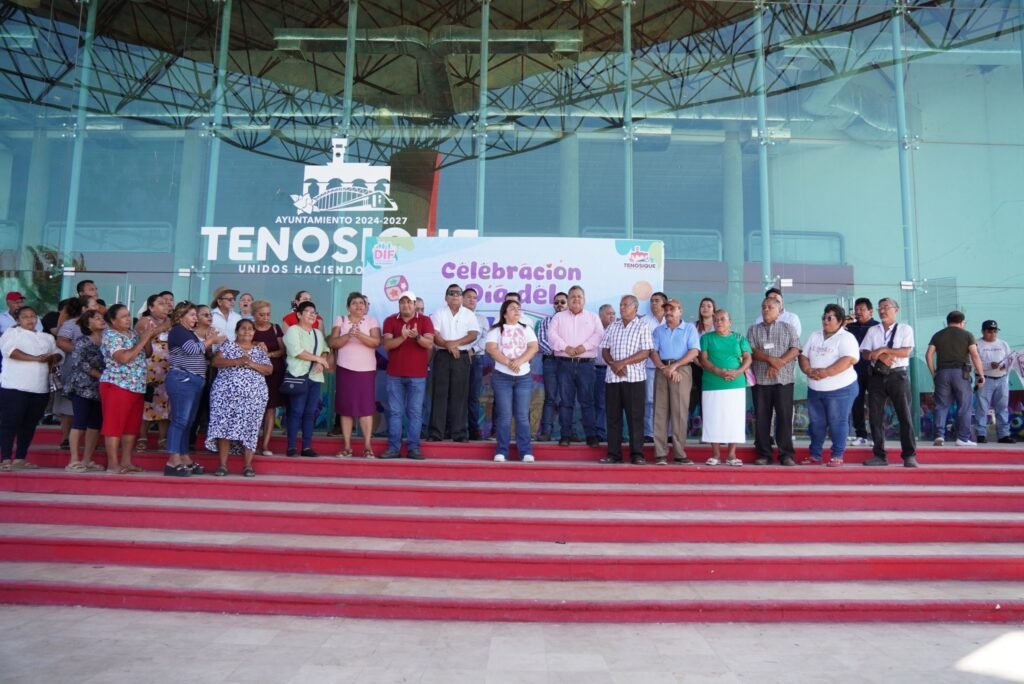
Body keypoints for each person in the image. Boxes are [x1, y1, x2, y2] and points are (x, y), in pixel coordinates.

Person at [207, 319, 274, 477]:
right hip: (226, 396)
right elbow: (216, 362)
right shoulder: (228, 346)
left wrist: (250, 364)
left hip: (253, 398)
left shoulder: (258, 350)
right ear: (237, 331)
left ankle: (248, 465)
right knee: (224, 427)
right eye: (243, 328)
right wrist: (237, 361)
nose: (247, 331)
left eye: (250, 329)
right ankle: (223, 465)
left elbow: (269, 369)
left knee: (250, 428)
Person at [164, 302, 223, 477]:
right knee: (180, 421)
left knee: (188, 423)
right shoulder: (178, 331)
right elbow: (192, 350)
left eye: (195, 315)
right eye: (191, 315)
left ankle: (184, 457)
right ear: (181, 317)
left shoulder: (189, 333)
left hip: (194, 381)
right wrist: (211, 339)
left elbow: (202, 352)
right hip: (182, 379)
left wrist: (208, 340)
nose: (194, 318)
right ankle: (172, 460)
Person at [0, 306, 60, 471]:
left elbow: (57, 354)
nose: (30, 320)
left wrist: (52, 357)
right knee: (10, 422)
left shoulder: (46, 337)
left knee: (29, 424)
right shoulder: (12, 333)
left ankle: (20, 458)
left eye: (33, 316)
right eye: (25, 317)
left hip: (39, 387)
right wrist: (35, 359)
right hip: (14, 386)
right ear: (18, 320)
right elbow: (11, 352)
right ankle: (4, 458)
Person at [799, 304, 860, 467]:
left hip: (841, 389)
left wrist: (826, 372)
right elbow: (803, 355)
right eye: (824, 317)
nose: (825, 321)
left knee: (837, 421)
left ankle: (837, 454)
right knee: (816, 423)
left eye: (830, 318)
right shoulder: (814, 335)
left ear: (840, 321)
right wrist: (807, 369)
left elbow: (848, 360)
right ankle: (815, 454)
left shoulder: (846, 338)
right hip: (815, 389)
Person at [860, 297, 918, 467]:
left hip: (898, 376)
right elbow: (864, 352)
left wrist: (884, 350)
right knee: (875, 417)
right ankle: (879, 455)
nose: (882, 311)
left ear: (896, 309)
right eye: (880, 308)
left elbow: (906, 351)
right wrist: (876, 355)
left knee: (904, 415)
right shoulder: (873, 330)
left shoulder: (905, 329)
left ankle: (909, 455)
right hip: (876, 376)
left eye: (886, 307)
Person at [99, 304, 157, 474]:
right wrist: (144, 340)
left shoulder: (132, 333)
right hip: (117, 385)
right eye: (123, 316)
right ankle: (112, 464)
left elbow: (146, 353)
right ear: (112, 320)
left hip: (136, 386)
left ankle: (126, 461)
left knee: (132, 426)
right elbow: (124, 357)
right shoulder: (110, 335)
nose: (127, 318)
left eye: (128, 315)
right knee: (114, 425)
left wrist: (147, 337)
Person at [380, 291, 435, 460]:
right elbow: (387, 345)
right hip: (394, 375)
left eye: (409, 302)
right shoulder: (390, 320)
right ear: (399, 305)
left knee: (415, 412)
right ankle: (394, 448)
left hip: (417, 375)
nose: (406, 305)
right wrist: (402, 337)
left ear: (414, 304)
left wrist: (416, 336)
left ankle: (413, 448)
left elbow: (429, 344)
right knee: (396, 412)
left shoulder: (425, 320)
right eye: (402, 302)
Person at [547, 285, 604, 447]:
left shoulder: (593, 317)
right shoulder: (558, 317)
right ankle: (565, 435)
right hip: (564, 364)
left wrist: (583, 347)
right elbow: (551, 335)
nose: (576, 299)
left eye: (579, 296)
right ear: (568, 299)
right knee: (566, 401)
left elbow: (599, 335)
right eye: (573, 296)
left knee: (587, 401)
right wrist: (566, 348)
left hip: (586, 365)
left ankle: (591, 435)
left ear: (584, 300)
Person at [747, 296, 801, 466]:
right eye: (763, 307)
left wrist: (779, 363)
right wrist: (771, 359)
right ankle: (764, 454)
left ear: (779, 311)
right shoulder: (753, 329)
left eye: (770, 307)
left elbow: (795, 349)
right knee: (762, 418)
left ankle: (786, 455)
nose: (766, 310)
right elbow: (751, 351)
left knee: (784, 418)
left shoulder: (788, 328)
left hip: (783, 381)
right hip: (762, 381)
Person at [598, 295, 653, 465]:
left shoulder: (643, 326)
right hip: (613, 378)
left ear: (635, 308)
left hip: (634, 379)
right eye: (621, 305)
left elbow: (645, 352)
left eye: (625, 305)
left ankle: (637, 454)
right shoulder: (613, 326)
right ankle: (614, 453)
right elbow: (604, 349)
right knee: (613, 417)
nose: (621, 308)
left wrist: (622, 363)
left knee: (635, 417)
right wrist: (614, 364)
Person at [486, 299, 539, 463]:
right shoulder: (496, 330)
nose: (517, 311)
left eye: (518, 308)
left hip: (523, 377)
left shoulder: (526, 329)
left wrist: (519, 361)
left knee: (522, 415)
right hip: (502, 377)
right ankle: (502, 450)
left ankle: (525, 451)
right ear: (504, 313)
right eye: (512, 308)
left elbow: (533, 347)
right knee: (504, 415)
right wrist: (509, 363)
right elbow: (491, 349)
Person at [329, 292, 381, 458]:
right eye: (354, 303)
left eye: (362, 303)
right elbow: (333, 342)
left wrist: (359, 335)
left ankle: (367, 446)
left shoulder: (371, 321)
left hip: (366, 370)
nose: (359, 306)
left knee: (366, 409)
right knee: (346, 409)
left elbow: (376, 342)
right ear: (348, 307)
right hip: (345, 369)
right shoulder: (341, 320)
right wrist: (348, 335)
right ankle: (347, 446)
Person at [650, 298, 700, 465]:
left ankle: (679, 453)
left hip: (682, 369)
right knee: (660, 411)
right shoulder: (658, 330)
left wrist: (676, 366)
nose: (668, 312)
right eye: (666, 309)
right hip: (662, 369)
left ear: (680, 311)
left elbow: (694, 351)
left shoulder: (689, 329)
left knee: (679, 412)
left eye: (672, 309)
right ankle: (660, 454)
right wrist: (664, 368)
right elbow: (653, 352)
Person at [699, 309, 751, 466]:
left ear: (730, 322)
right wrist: (718, 371)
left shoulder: (740, 338)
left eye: (722, 319)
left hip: (735, 384)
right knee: (713, 418)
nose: (718, 322)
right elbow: (703, 359)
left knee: (733, 418)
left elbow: (748, 357)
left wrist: (738, 371)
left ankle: (731, 455)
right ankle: (715, 454)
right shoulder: (706, 338)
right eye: (716, 319)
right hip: (712, 383)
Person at [926, 310, 985, 447]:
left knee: (941, 405)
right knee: (964, 405)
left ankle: (939, 436)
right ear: (962, 322)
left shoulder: (938, 335)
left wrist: (933, 372)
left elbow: (928, 355)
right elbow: (974, 355)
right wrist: (981, 375)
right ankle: (962, 438)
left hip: (942, 373)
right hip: (961, 373)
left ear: (948, 321)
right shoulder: (967, 335)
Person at [428, 284, 479, 442]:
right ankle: (436, 433)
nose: (455, 296)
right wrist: (448, 346)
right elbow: (434, 334)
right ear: (446, 297)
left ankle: (459, 433)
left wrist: (453, 344)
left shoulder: (468, 314)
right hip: (442, 355)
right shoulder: (438, 312)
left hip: (461, 356)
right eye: (451, 293)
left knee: (460, 395)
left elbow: (473, 335)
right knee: (439, 395)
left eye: (458, 293)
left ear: (462, 297)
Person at [283, 301, 330, 457]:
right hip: (298, 375)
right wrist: (319, 359)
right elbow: (297, 351)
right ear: (299, 314)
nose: (312, 314)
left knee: (310, 412)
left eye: (314, 312)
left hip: (315, 377)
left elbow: (325, 350)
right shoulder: (293, 331)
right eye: (308, 311)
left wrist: (322, 362)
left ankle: (307, 447)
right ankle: (291, 447)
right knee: (296, 411)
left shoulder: (317, 333)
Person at [63, 310, 107, 472]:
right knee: (79, 422)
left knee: (95, 424)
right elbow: (81, 363)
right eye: (96, 318)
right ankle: (74, 459)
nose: (101, 320)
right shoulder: (82, 341)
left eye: (102, 318)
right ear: (87, 323)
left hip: (99, 389)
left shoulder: (107, 341)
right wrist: (101, 376)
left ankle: (87, 459)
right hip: (82, 387)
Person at [136, 293, 173, 451]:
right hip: (149, 366)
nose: (166, 306)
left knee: (164, 404)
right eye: (161, 303)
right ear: (151, 307)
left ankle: (162, 439)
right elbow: (143, 337)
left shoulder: (172, 322)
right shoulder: (145, 321)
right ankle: (142, 437)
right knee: (147, 403)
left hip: (167, 368)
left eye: (167, 303)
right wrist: (161, 328)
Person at [251, 300, 286, 456]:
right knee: (253, 408)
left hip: (274, 372)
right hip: (254, 373)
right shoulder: (248, 328)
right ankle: (250, 444)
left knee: (270, 408)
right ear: (254, 315)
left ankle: (265, 445)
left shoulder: (275, 328)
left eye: (268, 314)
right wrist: (256, 344)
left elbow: (282, 350)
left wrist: (268, 355)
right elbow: (241, 345)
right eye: (261, 314)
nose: (265, 317)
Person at [974, 320, 1015, 444]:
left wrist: (1005, 366)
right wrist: (988, 365)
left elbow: (1010, 360)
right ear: (983, 331)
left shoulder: (1003, 344)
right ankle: (980, 434)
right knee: (982, 407)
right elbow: (973, 362)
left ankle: (1003, 435)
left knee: (1002, 408)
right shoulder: (977, 344)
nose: (992, 333)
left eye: (995, 331)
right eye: (989, 331)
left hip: (1001, 378)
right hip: (984, 378)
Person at [845, 297, 879, 446]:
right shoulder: (850, 327)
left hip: (874, 369)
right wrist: (844, 323)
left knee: (875, 403)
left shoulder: (877, 327)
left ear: (870, 311)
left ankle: (877, 435)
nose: (858, 312)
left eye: (862, 310)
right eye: (856, 310)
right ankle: (861, 434)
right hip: (855, 370)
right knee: (856, 402)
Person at [535, 292, 567, 441]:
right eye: (557, 303)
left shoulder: (574, 322)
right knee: (550, 398)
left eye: (562, 302)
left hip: (568, 362)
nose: (559, 305)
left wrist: (565, 351)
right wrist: (562, 350)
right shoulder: (546, 321)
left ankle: (568, 432)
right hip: (551, 361)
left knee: (567, 398)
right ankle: (546, 431)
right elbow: (542, 341)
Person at [463, 286, 490, 440]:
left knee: (473, 396)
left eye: (475, 297)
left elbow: (485, 339)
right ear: (462, 299)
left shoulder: (482, 319)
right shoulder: (456, 317)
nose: (472, 300)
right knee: (458, 396)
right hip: (457, 358)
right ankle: (455, 429)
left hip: (476, 359)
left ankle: (473, 430)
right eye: (469, 297)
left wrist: (472, 350)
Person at [642, 291, 668, 443]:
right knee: (650, 400)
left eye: (657, 301)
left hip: (670, 366)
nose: (653, 303)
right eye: (651, 301)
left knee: (669, 401)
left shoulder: (672, 320)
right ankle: (649, 433)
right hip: (650, 366)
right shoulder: (644, 321)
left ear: (664, 303)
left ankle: (669, 433)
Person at [690, 296, 716, 425]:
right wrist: (696, 361)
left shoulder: (718, 326)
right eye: (702, 306)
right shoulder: (693, 326)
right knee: (699, 398)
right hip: (697, 366)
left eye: (708, 306)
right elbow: (689, 346)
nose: (705, 308)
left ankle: (714, 429)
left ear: (714, 310)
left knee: (713, 399)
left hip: (714, 367)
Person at [593, 304, 615, 441]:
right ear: (600, 316)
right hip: (599, 371)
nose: (612, 316)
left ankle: (615, 434)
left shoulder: (619, 330)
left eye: (613, 313)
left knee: (615, 404)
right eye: (608, 314)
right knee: (600, 403)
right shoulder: (595, 331)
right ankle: (601, 433)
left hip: (616, 371)